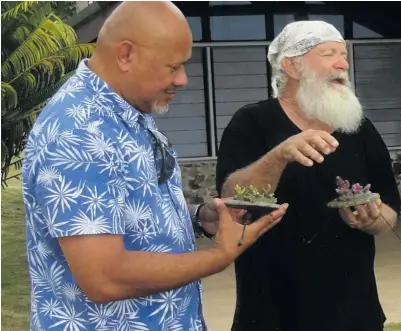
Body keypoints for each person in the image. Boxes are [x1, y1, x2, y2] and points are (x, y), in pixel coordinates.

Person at [21, 2, 288, 330]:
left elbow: (130, 208)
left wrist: (198, 219)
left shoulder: (127, 113)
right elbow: (105, 278)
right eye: (173, 67)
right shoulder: (79, 132)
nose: (183, 79)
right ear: (126, 55)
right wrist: (218, 255)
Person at [216, 21, 401, 331]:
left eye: (344, 54)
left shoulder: (358, 128)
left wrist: (372, 218)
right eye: (329, 54)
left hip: (355, 313)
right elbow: (234, 203)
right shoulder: (252, 122)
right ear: (292, 65)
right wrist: (281, 154)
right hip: (272, 313)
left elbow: (390, 213)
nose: (343, 64)